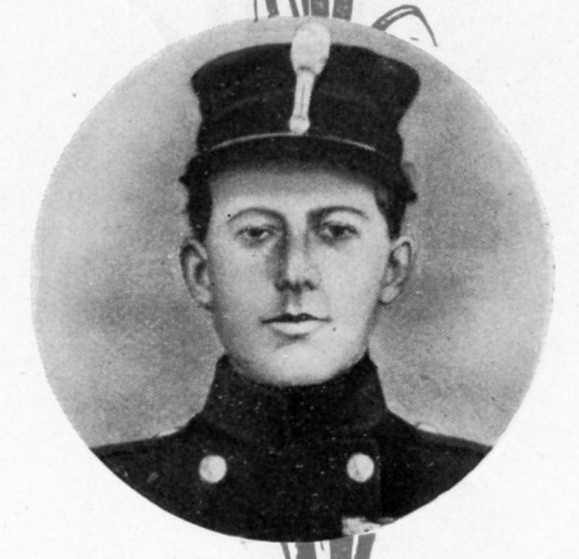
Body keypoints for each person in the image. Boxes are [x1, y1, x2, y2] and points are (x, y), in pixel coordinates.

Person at [94, 20, 490, 542]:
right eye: (257, 232)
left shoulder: (469, 486)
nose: (295, 273)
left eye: (336, 231)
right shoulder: (112, 490)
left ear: (392, 269)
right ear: (201, 273)